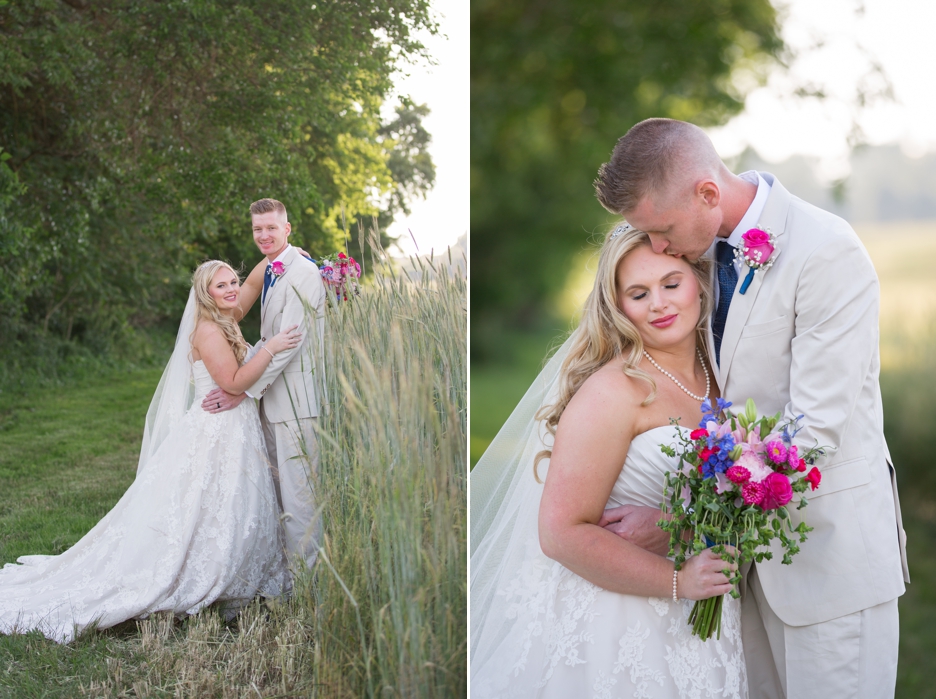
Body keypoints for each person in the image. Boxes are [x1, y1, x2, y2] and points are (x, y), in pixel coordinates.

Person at [593, 118, 909, 699]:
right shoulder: (700, 258)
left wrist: (676, 524)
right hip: (740, 573)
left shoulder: (825, 251)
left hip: (829, 563)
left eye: (661, 230)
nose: (657, 248)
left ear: (707, 194)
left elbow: (811, 433)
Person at [470, 225, 747, 698]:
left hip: (706, 614)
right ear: (618, 306)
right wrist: (679, 581)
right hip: (619, 622)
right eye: (638, 294)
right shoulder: (615, 391)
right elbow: (560, 533)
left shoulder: (724, 372)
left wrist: (682, 529)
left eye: (671, 284)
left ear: (700, 282)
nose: (659, 304)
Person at [0, 260, 300, 643]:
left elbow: (255, 282)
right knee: (203, 505)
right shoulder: (209, 330)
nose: (230, 289)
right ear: (205, 294)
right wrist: (271, 347)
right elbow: (234, 381)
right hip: (216, 431)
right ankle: (201, 578)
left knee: (229, 505)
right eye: (220, 285)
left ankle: (234, 581)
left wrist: (283, 255)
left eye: (232, 283)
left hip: (234, 428)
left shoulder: (227, 316)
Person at [201, 198, 326, 571]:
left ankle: (309, 589)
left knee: (301, 500)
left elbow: (288, 344)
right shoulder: (274, 269)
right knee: (280, 497)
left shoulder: (303, 273)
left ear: (287, 229)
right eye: (258, 229)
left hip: (297, 406)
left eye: (272, 227)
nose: (264, 234)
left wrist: (241, 390)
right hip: (274, 402)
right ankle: (288, 579)